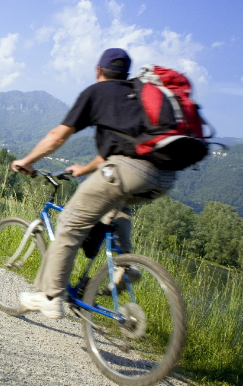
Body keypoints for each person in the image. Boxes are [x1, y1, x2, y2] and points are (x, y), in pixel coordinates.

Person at [11, 48, 176, 319]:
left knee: (70, 224)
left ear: (98, 71)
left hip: (125, 172)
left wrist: (27, 161)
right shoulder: (136, 96)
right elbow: (114, 151)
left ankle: (50, 296)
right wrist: (85, 168)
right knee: (116, 208)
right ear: (125, 73)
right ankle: (126, 263)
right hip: (163, 176)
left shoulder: (97, 92)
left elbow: (56, 137)